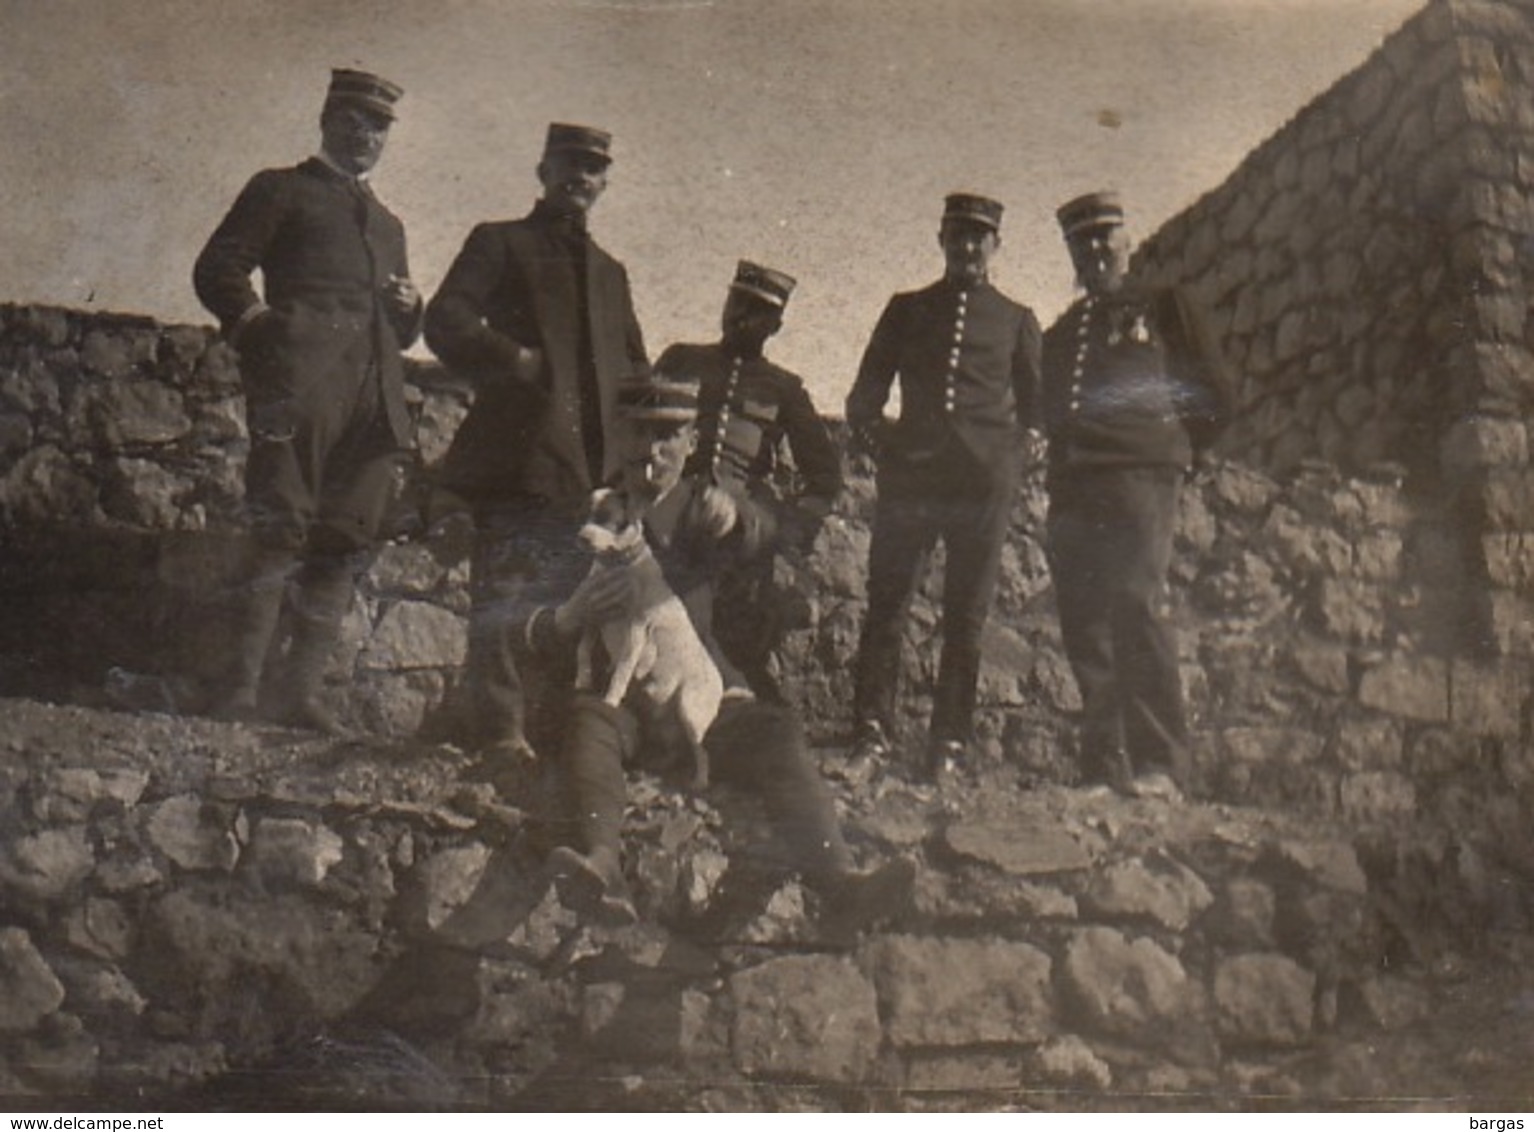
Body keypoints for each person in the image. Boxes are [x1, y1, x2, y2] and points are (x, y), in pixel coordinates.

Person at [525, 373, 916, 942]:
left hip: (702, 695)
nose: (650, 452)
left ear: (691, 442)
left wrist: (739, 517)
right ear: (616, 436)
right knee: (589, 723)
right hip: (622, 707)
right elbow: (520, 623)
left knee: (773, 731)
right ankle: (601, 864)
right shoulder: (585, 518)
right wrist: (568, 616)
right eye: (637, 434)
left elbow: (761, 531)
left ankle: (838, 882)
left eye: (667, 437)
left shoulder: (701, 510)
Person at [193, 68, 422, 735]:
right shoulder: (280, 189)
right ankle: (239, 693)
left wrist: (412, 311)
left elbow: (400, 329)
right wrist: (267, 332)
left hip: (374, 402)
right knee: (280, 530)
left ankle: (298, 695)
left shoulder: (388, 222)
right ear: (328, 119)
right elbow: (218, 270)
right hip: (300, 391)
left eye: (379, 126)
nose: (367, 135)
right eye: (355, 120)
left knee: (344, 541)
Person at [424, 122, 649, 766]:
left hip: (590, 472)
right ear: (543, 170)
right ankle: (498, 728)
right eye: (567, 164)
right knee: (506, 589)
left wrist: (633, 467)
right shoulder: (501, 242)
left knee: (567, 600)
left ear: (606, 182)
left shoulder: (612, 273)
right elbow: (446, 319)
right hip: (519, 456)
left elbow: (634, 370)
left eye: (593, 168)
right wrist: (513, 358)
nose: (580, 177)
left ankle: (548, 733)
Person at [1041, 190, 1234, 800]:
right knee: (1084, 622)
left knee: (1136, 602)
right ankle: (1104, 768)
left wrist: (1186, 452)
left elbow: (1213, 388)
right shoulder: (1064, 331)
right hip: (1077, 482)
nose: (1095, 251)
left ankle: (1161, 765)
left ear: (1127, 240)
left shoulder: (1163, 303)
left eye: (1105, 237)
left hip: (1141, 472)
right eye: (1082, 243)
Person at [844, 192, 1042, 779]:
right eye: (958, 235)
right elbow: (864, 400)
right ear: (941, 240)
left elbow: (1038, 416)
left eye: (979, 237)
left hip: (982, 486)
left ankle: (947, 747)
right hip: (915, 477)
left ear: (996, 245)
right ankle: (871, 737)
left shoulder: (1015, 320)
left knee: (967, 614)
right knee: (888, 604)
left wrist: (1005, 462)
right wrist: (891, 450)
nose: (968, 246)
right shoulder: (907, 310)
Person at [654, 260, 842, 699]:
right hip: (669, 511)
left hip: (738, 527)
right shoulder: (682, 358)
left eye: (757, 310)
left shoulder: (784, 387)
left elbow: (825, 477)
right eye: (737, 301)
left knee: (739, 635)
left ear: (775, 325)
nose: (742, 315)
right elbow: (636, 426)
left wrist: (783, 530)